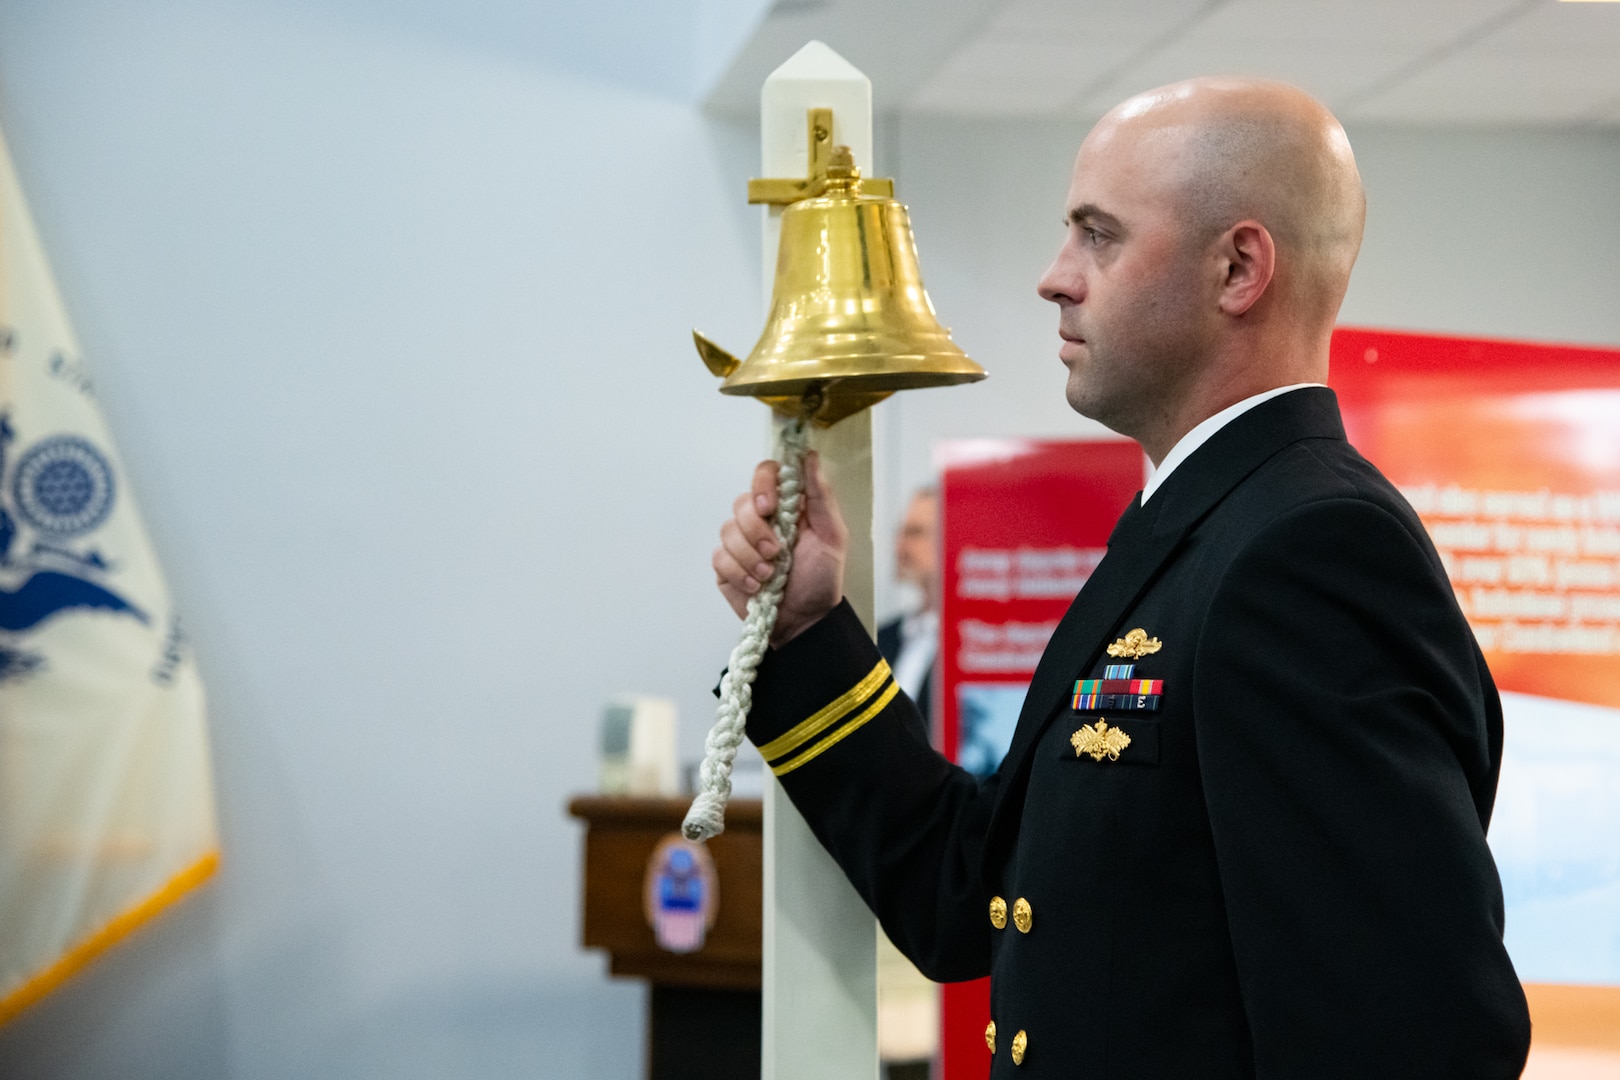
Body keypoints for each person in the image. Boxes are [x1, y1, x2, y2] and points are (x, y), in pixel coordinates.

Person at [712, 77, 1531, 1077]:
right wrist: (806, 635)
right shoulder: (1200, 527)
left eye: (1099, 236)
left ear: (1238, 267)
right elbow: (979, 897)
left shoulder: (1307, 553)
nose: (1056, 277)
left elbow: (1411, 1039)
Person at [877, 487, 940, 727]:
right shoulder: (883, 638)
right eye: (900, 533)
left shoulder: (977, 644)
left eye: (915, 533)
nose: (900, 547)